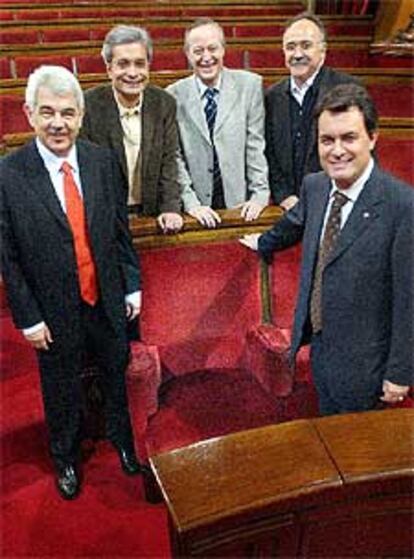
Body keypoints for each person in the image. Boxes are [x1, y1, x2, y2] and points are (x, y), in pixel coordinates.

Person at [0, 65, 145, 500]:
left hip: (107, 298)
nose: (58, 123)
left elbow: (121, 230)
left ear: (81, 115)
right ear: (29, 114)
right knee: (60, 385)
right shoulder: (8, 174)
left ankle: (123, 440)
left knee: (116, 372)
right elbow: (6, 254)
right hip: (52, 309)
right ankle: (64, 456)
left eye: (67, 112)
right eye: (47, 112)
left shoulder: (102, 161)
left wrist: (131, 284)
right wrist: (27, 317)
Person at [241, 83, 413, 415]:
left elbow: (409, 299)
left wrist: (400, 373)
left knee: (361, 458)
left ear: (372, 138)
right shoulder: (316, 186)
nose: (337, 151)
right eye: (327, 140)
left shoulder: (402, 205)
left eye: (349, 138)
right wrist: (262, 243)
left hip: (369, 369)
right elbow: (293, 223)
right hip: (320, 351)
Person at [167, 18, 270, 228]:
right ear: (187, 54)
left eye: (213, 48)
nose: (206, 57)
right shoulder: (173, 96)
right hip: (197, 209)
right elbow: (175, 157)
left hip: (239, 205)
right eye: (198, 51)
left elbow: (255, 145)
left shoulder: (250, 86)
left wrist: (259, 195)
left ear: (223, 49)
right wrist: (191, 204)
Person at [80, 25, 183, 233]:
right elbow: (86, 171)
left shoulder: (164, 103)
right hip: (104, 215)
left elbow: (168, 161)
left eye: (140, 64)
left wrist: (170, 208)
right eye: (123, 64)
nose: (133, 73)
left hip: (151, 213)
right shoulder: (88, 105)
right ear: (109, 69)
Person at [265, 12, 358, 211]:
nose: (297, 54)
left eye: (306, 45)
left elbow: (358, 154)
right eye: (290, 47)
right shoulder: (272, 96)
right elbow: (269, 153)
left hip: (334, 204)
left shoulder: (348, 89)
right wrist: (283, 196)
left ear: (322, 51)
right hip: (286, 206)